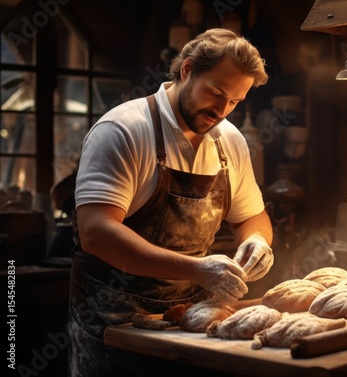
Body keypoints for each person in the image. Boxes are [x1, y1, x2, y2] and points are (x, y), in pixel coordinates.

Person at [68, 28, 274, 377]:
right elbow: (96, 232)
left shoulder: (230, 141)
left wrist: (257, 240)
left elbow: (252, 216)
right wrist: (197, 268)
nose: (222, 110)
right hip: (114, 322)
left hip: (188, 322)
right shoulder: (123, 129)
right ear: (187, 69)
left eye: (235, 102)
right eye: (216, 93)